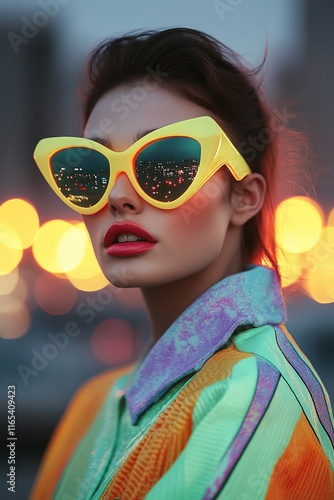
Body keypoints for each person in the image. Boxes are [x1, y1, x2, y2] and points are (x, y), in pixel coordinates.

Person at [31, 27, 333, 499]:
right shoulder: (95, 401)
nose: (118, 197)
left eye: (165, 165)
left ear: (243, 197)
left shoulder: (250, 399)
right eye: (88, 171)